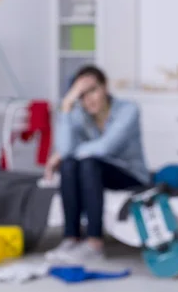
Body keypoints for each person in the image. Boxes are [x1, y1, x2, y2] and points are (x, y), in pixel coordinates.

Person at [44, 65, 150, 263]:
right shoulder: (78, 114)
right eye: (81, 94)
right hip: (96, 172)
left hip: (130, 175)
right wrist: (66, 105)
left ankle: (94, 243)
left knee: (87, 163)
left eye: (93, 90)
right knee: (69, 165)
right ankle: (71, 238)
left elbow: (105, 148)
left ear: (105, 87)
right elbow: (66, 151)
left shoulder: (128, 110)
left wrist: (62, 154)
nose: (88, 99)